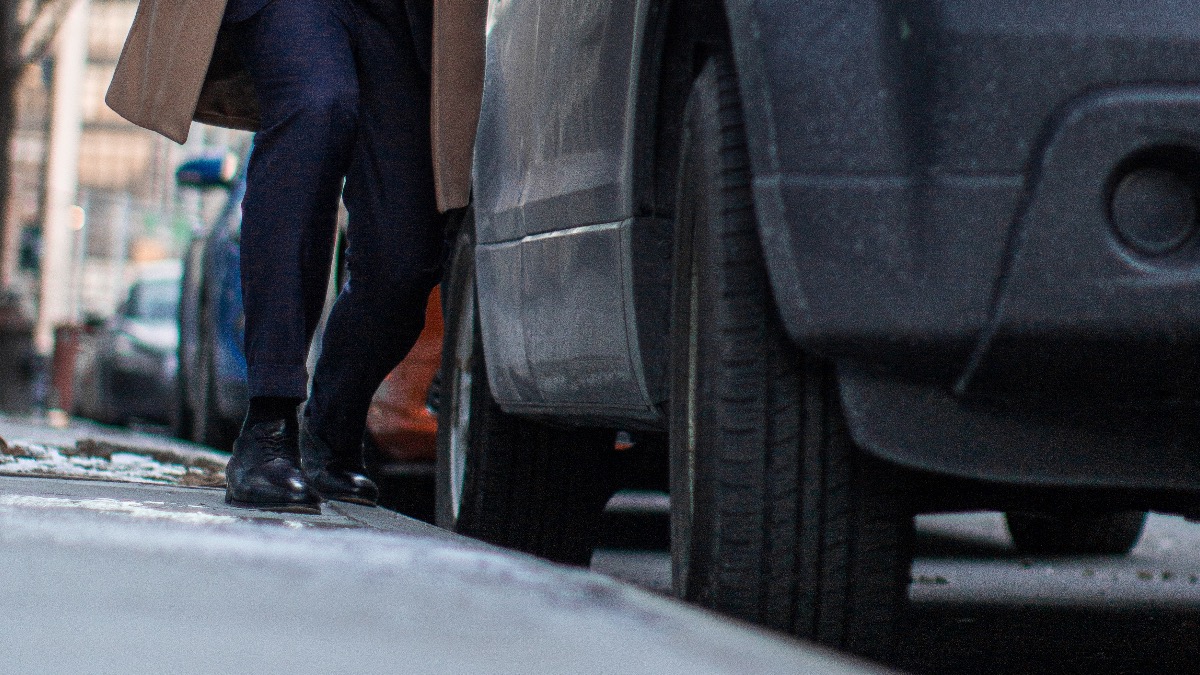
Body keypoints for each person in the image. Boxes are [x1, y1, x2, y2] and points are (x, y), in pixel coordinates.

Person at [107, 0, 441, 512]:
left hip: (403, 16)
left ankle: (333, 423)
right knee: (317, 104)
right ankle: (268, 426)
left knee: (406, 258)